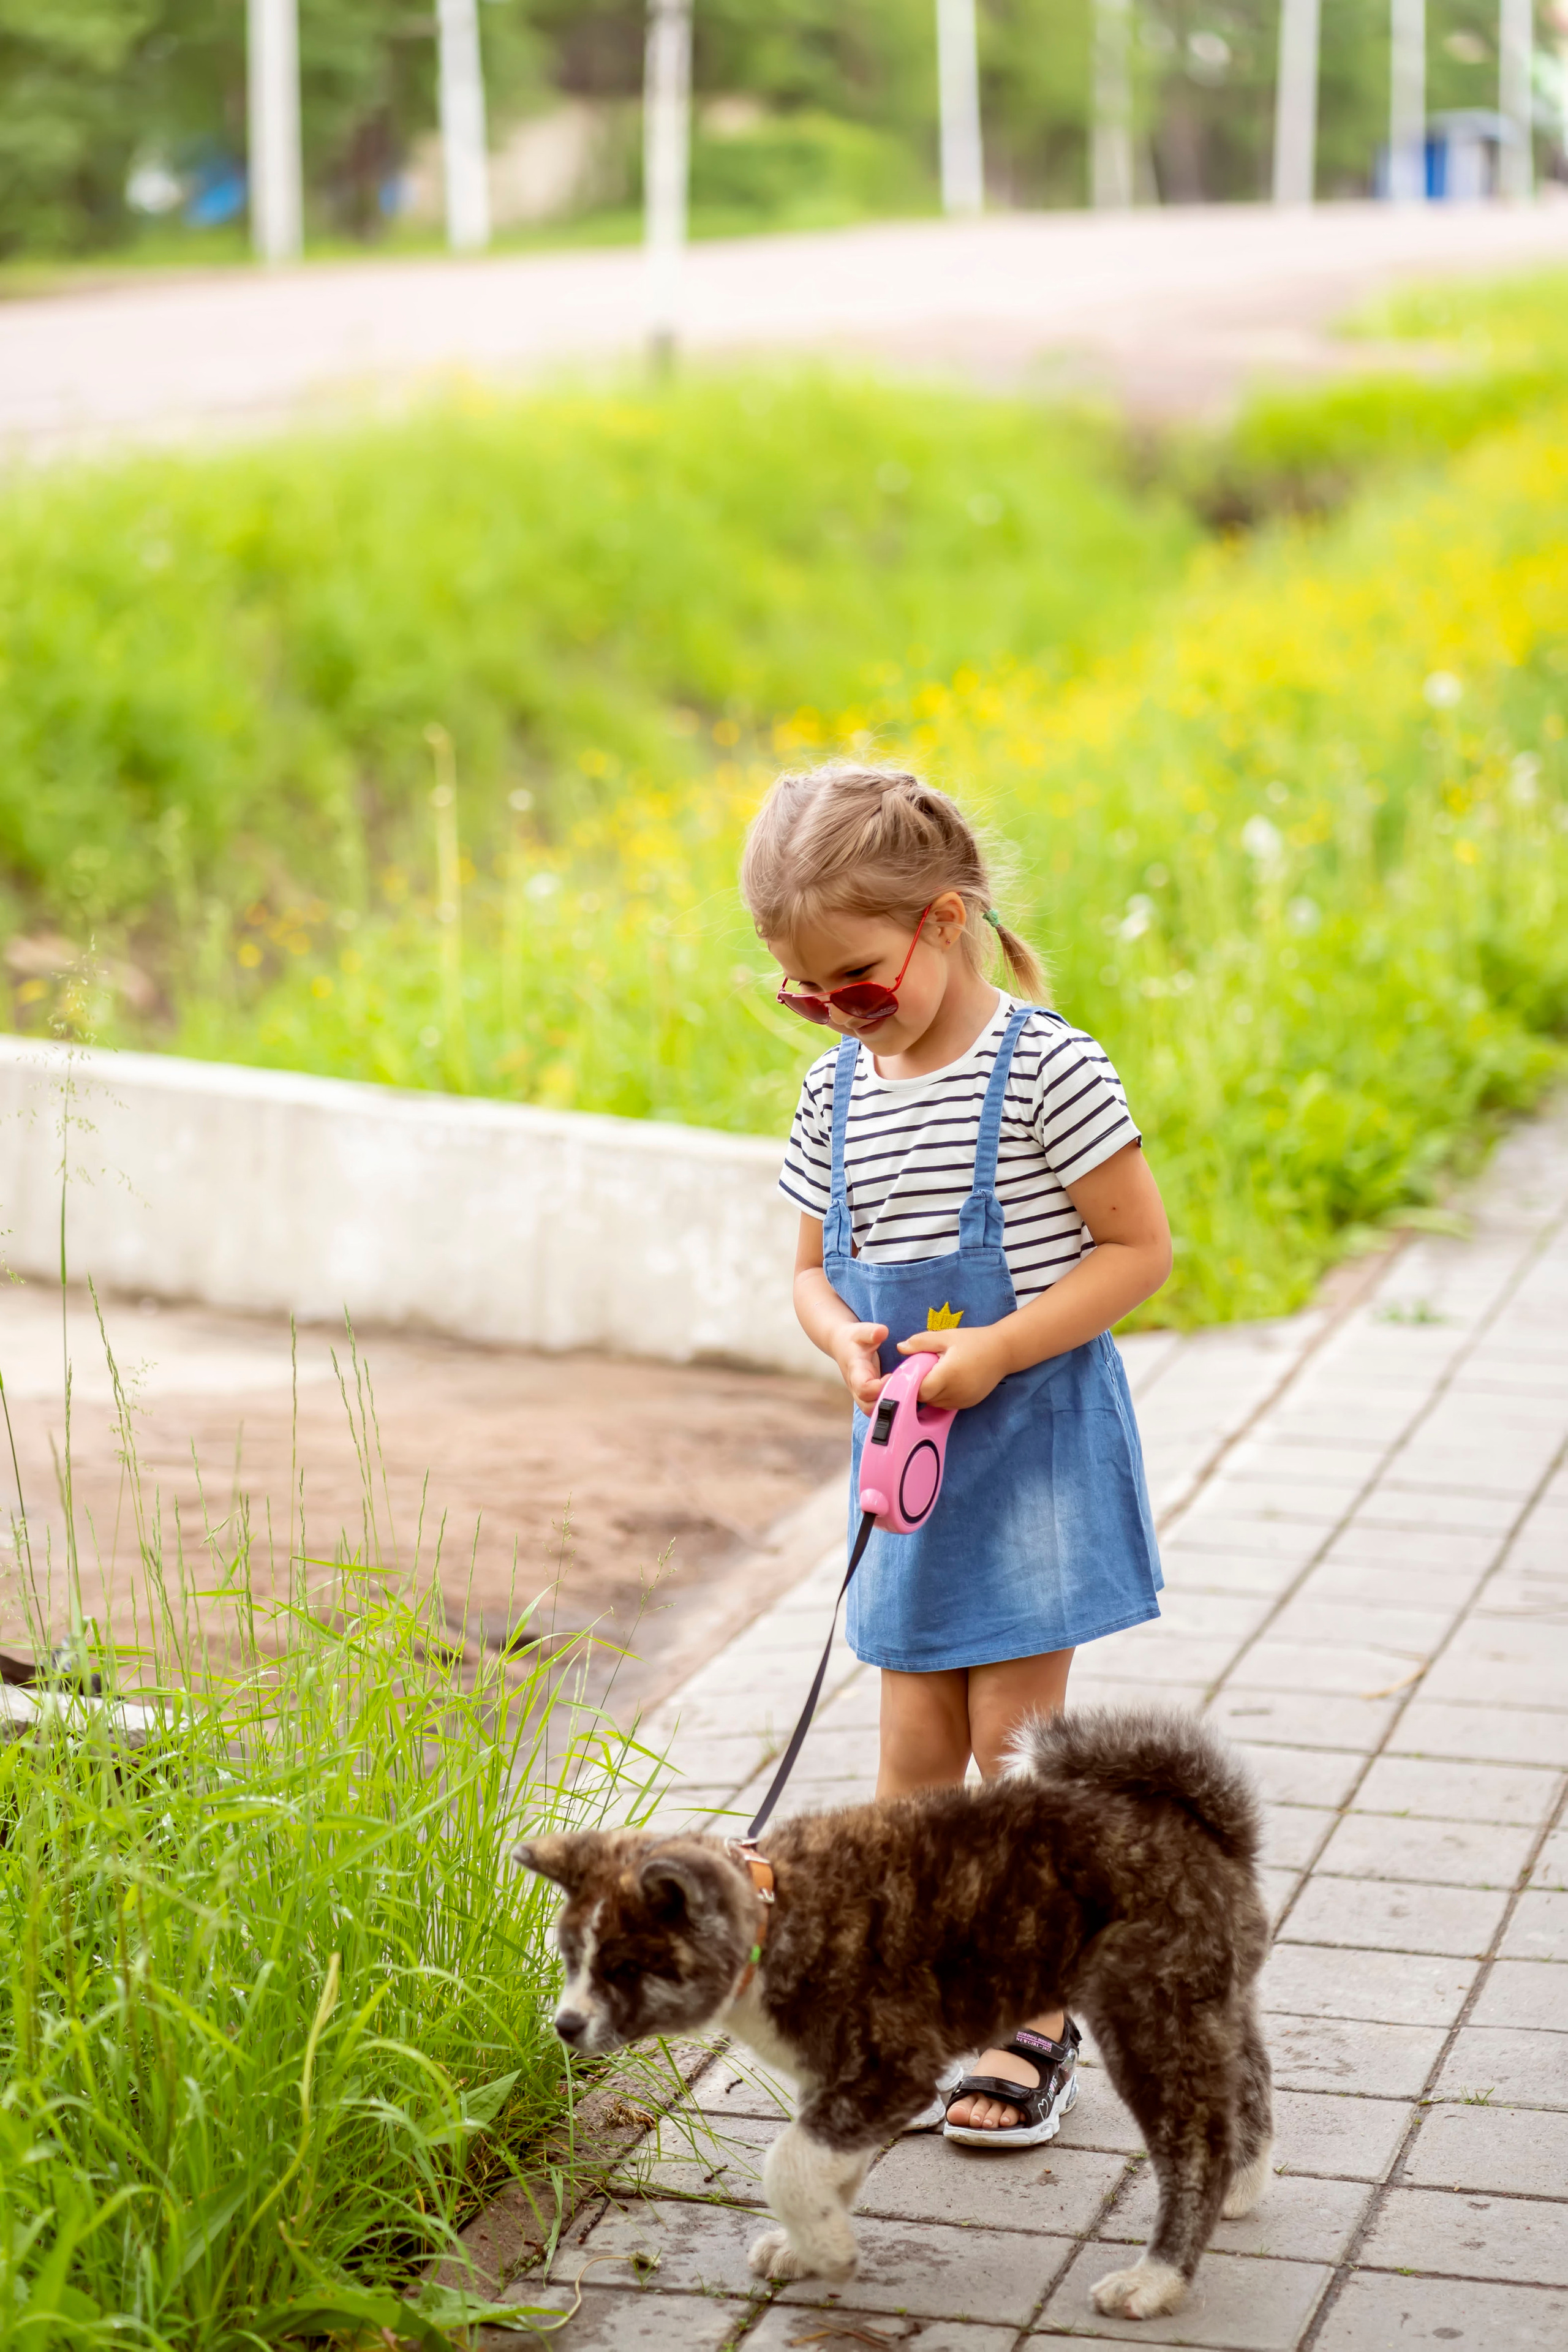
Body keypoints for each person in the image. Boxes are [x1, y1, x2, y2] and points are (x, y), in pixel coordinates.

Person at [741, 763, 1171, 2147]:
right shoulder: (835, 1096)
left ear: (942, 922)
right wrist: (840, 1344)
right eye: (805, 994)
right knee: (910, 1755)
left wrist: (995, 1350)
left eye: (855, 981)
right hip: (906, 1464)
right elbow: (809, 1276)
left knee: (1006, 1749)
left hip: (1029, 1441)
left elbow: (1137, 1251)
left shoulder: (1047, 1067)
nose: (834, 1012)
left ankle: (1031, 2012)